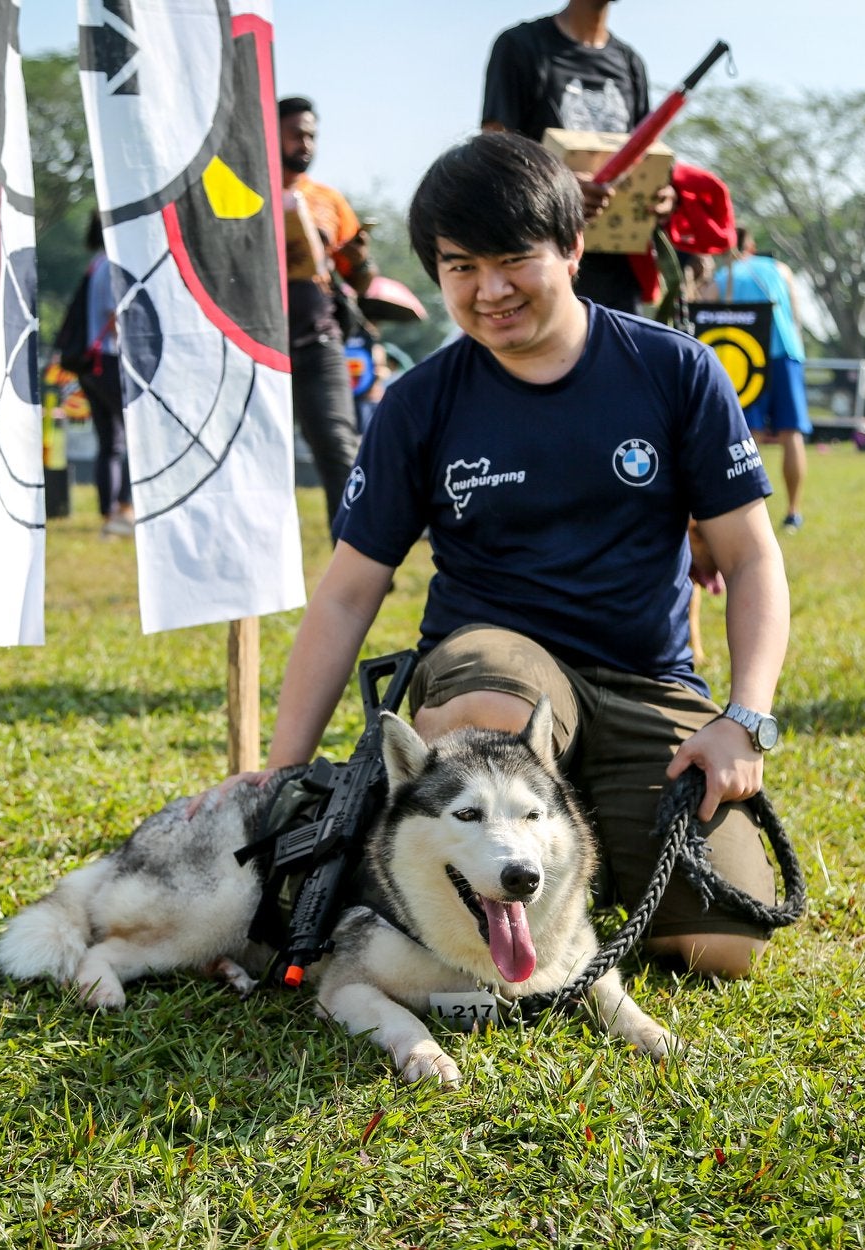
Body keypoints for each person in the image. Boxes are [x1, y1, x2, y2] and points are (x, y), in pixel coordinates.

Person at [213, 134, 792, 979]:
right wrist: (281, 772)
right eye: (459, 267)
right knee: (481, 713)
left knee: (719, 950)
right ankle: (485, 874)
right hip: (496, 663)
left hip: (644, 677)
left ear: (571, 248)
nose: (489, 291)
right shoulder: (419, 403)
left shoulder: (675, 371)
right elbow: (345, 596)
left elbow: (749, 560)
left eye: (514, 258)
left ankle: (592, 832)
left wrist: (743, 719)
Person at [481, 0, 661, 315]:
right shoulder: (521, 46)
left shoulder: (630, 62)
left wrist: (661, 195)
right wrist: (562, 191)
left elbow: (646, 155)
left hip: (618, 271)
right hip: (543, 264)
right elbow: (494, 156)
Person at [279, 96, 372, 530]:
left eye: (312, 135)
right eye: (296, 132)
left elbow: (363, 283)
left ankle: (355, 561)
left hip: (319, 340)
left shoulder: (329, 201)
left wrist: (359, 259)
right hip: (255, 342)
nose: (306, 143)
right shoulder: (241, 192)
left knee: (340, 447)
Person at [726, 226, 811, 532]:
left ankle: (752, 514)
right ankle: (793, 512)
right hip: (786, 353)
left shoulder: (723, 277)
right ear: (751, 245)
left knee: (748, 436)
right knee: (792, 433)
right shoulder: (779, 269)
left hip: (745, 360)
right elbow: (796, 316)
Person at [57, 214, 136, 537]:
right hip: (109, 359)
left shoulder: (95, 263)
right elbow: (115, 316)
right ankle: (126, 507)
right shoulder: (113, 266)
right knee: (135, 435)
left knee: (109, 441)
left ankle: (109, 512)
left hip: (89, 364)